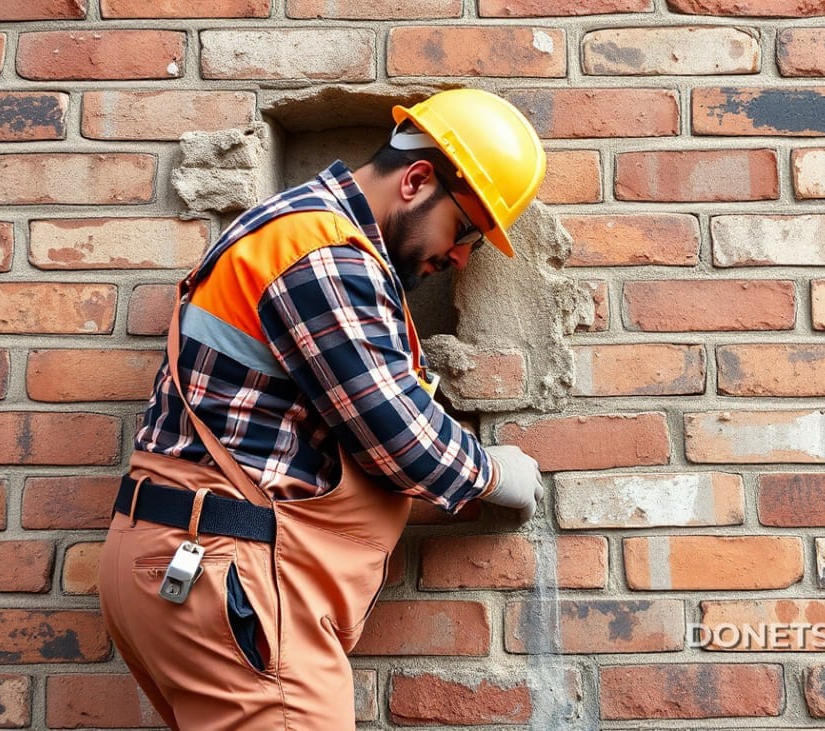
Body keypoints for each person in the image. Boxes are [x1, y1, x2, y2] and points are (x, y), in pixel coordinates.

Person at [97, 88, 548, 730]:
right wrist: (493, 474)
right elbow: (401, 439)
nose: (461, 257)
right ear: (417, 181)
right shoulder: (321, 252)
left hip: (189, 562)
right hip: (235, 571)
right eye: (466, 230)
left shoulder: (293, 230)